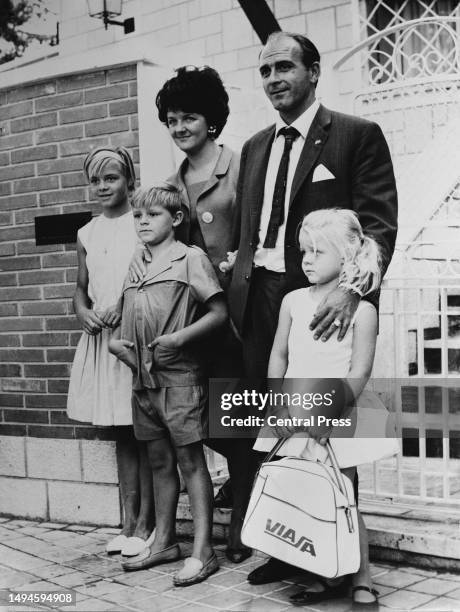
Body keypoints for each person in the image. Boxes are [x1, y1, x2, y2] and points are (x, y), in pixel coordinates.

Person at [227, 31, 398, 584]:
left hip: (329, 305)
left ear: (314, 72)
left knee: (331, 433)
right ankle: (285, 546)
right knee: (277, 432)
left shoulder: (355, 135)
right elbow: (248, 231)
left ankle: (342, 555)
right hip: (267, 309)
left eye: (284, 67)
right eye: (265, 70)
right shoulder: (254, 146)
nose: (274, 78)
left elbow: (377, 225)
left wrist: (353, 291)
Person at [131, 65, 257, 563]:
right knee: (203, 422)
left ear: (212, 119)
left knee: (239, 419)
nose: (180, 127)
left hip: (243, 318)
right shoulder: (170, 185)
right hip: (195, 323)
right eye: (172, 119)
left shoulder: (243, 165)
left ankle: (243, 518)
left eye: (190, 117)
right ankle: (228, 509)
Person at [254, 209, 399, 606]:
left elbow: (359, 371)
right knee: (306, 494)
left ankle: (361, 578)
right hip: (296, 409)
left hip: (339, 414)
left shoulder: (362, 311)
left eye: (318, 251)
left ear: (348, 256)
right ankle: (320, 572)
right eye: (304, 251)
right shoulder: (292, 302)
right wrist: (279, 405)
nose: (307, 260)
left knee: (344, 496)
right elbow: (279, 355)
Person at [109, 184, 227, 586]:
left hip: (179, 379)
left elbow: (218, 313)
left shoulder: (189, 258)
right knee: (159, 463)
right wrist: (118, 347)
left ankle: (203, 550)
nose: (142, 221)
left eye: (152, 215)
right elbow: (126, 318)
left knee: (190, 462)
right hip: (142, 382)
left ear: (176, 219)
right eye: (138, 215)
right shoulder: (136, 261)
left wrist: (179, 338)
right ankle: (164, 541)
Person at [67, 147, 155, 557]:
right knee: (122, 432)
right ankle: (128, 520)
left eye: (112, 178)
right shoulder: (87, 232)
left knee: (145, 429)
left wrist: (126, 304)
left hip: (133, 336)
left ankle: (148, 523)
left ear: (128, 180)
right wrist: (83, 312)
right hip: (102, 339)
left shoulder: (140, 224)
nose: (103, 187)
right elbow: (81, 289)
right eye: (96, 180)